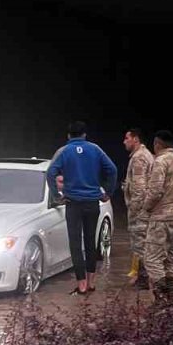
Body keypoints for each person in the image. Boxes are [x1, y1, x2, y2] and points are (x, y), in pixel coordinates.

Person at [47, 121, 117, 295]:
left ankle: (81, 284)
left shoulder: (63, 151)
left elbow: (50, 173)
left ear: (68, 135)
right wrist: (107, 192)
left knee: (75, 243)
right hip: (92, 203)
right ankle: (92, 281)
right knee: (90, 242)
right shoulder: (95, 149)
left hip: (73, 204)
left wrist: (57, 195)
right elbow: (112, 169)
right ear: (85, 134)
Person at [141, 130, 173, 303]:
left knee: (152, 259)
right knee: (171, 257)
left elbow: (155, 191)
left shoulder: (160, 162)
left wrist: (146, 208)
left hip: (161, 217)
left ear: (157, 144)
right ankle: (172, 299)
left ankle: (160, 301)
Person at [121, 128, 154, 288]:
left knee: (140, 244)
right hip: (145, 209)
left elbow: (140, 188)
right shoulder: (145, 155)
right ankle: (144, 277)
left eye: (127, 138)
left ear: (135, 139)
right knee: (144, 243)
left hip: (140, 211)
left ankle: (143, 279)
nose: (124, 141)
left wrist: (135, 210)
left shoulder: (139, 157)